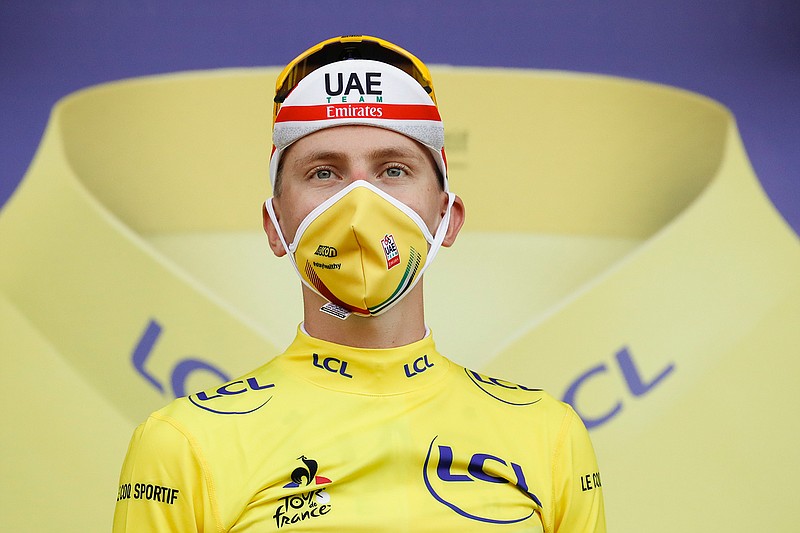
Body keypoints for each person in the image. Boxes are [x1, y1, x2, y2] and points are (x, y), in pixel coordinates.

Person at [112, 35, 606, 532]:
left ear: (447, 217)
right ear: (275, 225)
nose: (360, 203)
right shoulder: (183, 443)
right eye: (324, 172)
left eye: (393, 170)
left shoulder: (549, 435)